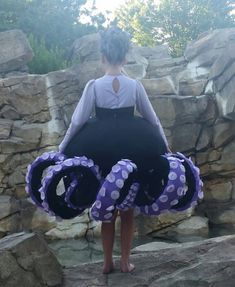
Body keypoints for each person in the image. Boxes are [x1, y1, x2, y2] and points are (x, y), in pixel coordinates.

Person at [58, 26, 171, 274]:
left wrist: (62, 148)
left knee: (106, 207)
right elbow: (153, 120)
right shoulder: (135, 86)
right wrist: (165, 147)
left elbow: (77, 122)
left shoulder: (94, 86)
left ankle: (107, 262)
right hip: (133, 149)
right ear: (126, 56)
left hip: (101, 150)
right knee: (127, 208)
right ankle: (125, 261)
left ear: (102, 57)